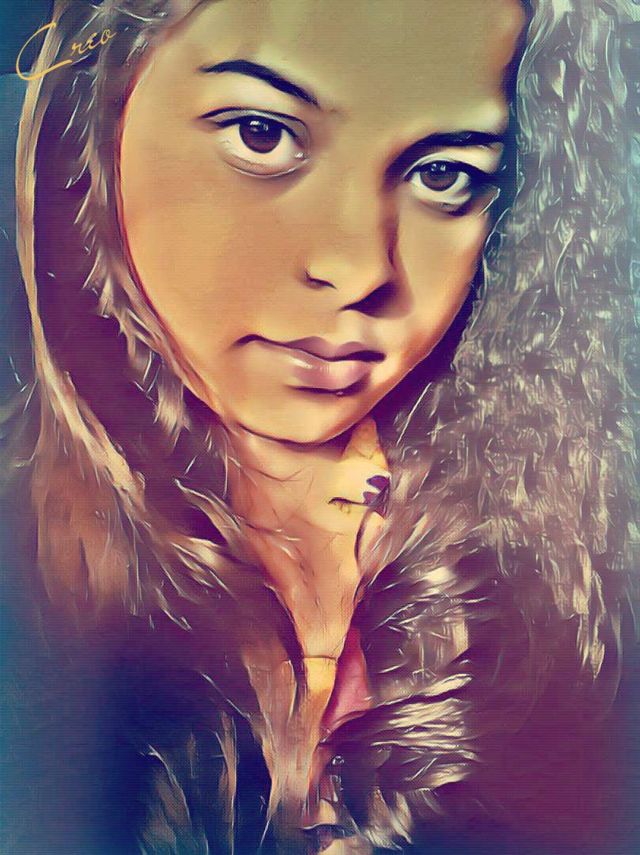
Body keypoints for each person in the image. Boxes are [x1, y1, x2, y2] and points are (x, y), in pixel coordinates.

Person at [2, 0, 639, 852]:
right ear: (95, 116)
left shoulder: (578, 556)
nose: (358, 265)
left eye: (444, 174)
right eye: (262, 134)